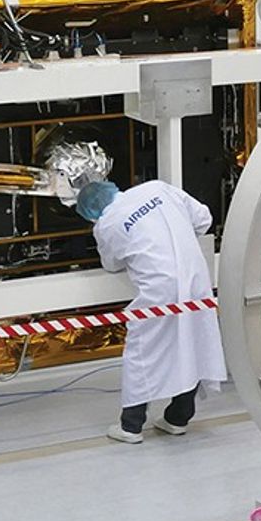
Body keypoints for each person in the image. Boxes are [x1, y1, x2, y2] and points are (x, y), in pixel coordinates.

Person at [77, 179, 227, 444]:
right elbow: (203, 218)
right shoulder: (158, 188)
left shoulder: (107, 224)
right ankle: (178, 418)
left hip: (158, 291)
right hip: (196, 280)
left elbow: (111, 264)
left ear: (91, 213)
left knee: (142, 350)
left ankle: (131, 426)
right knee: (192, 344)